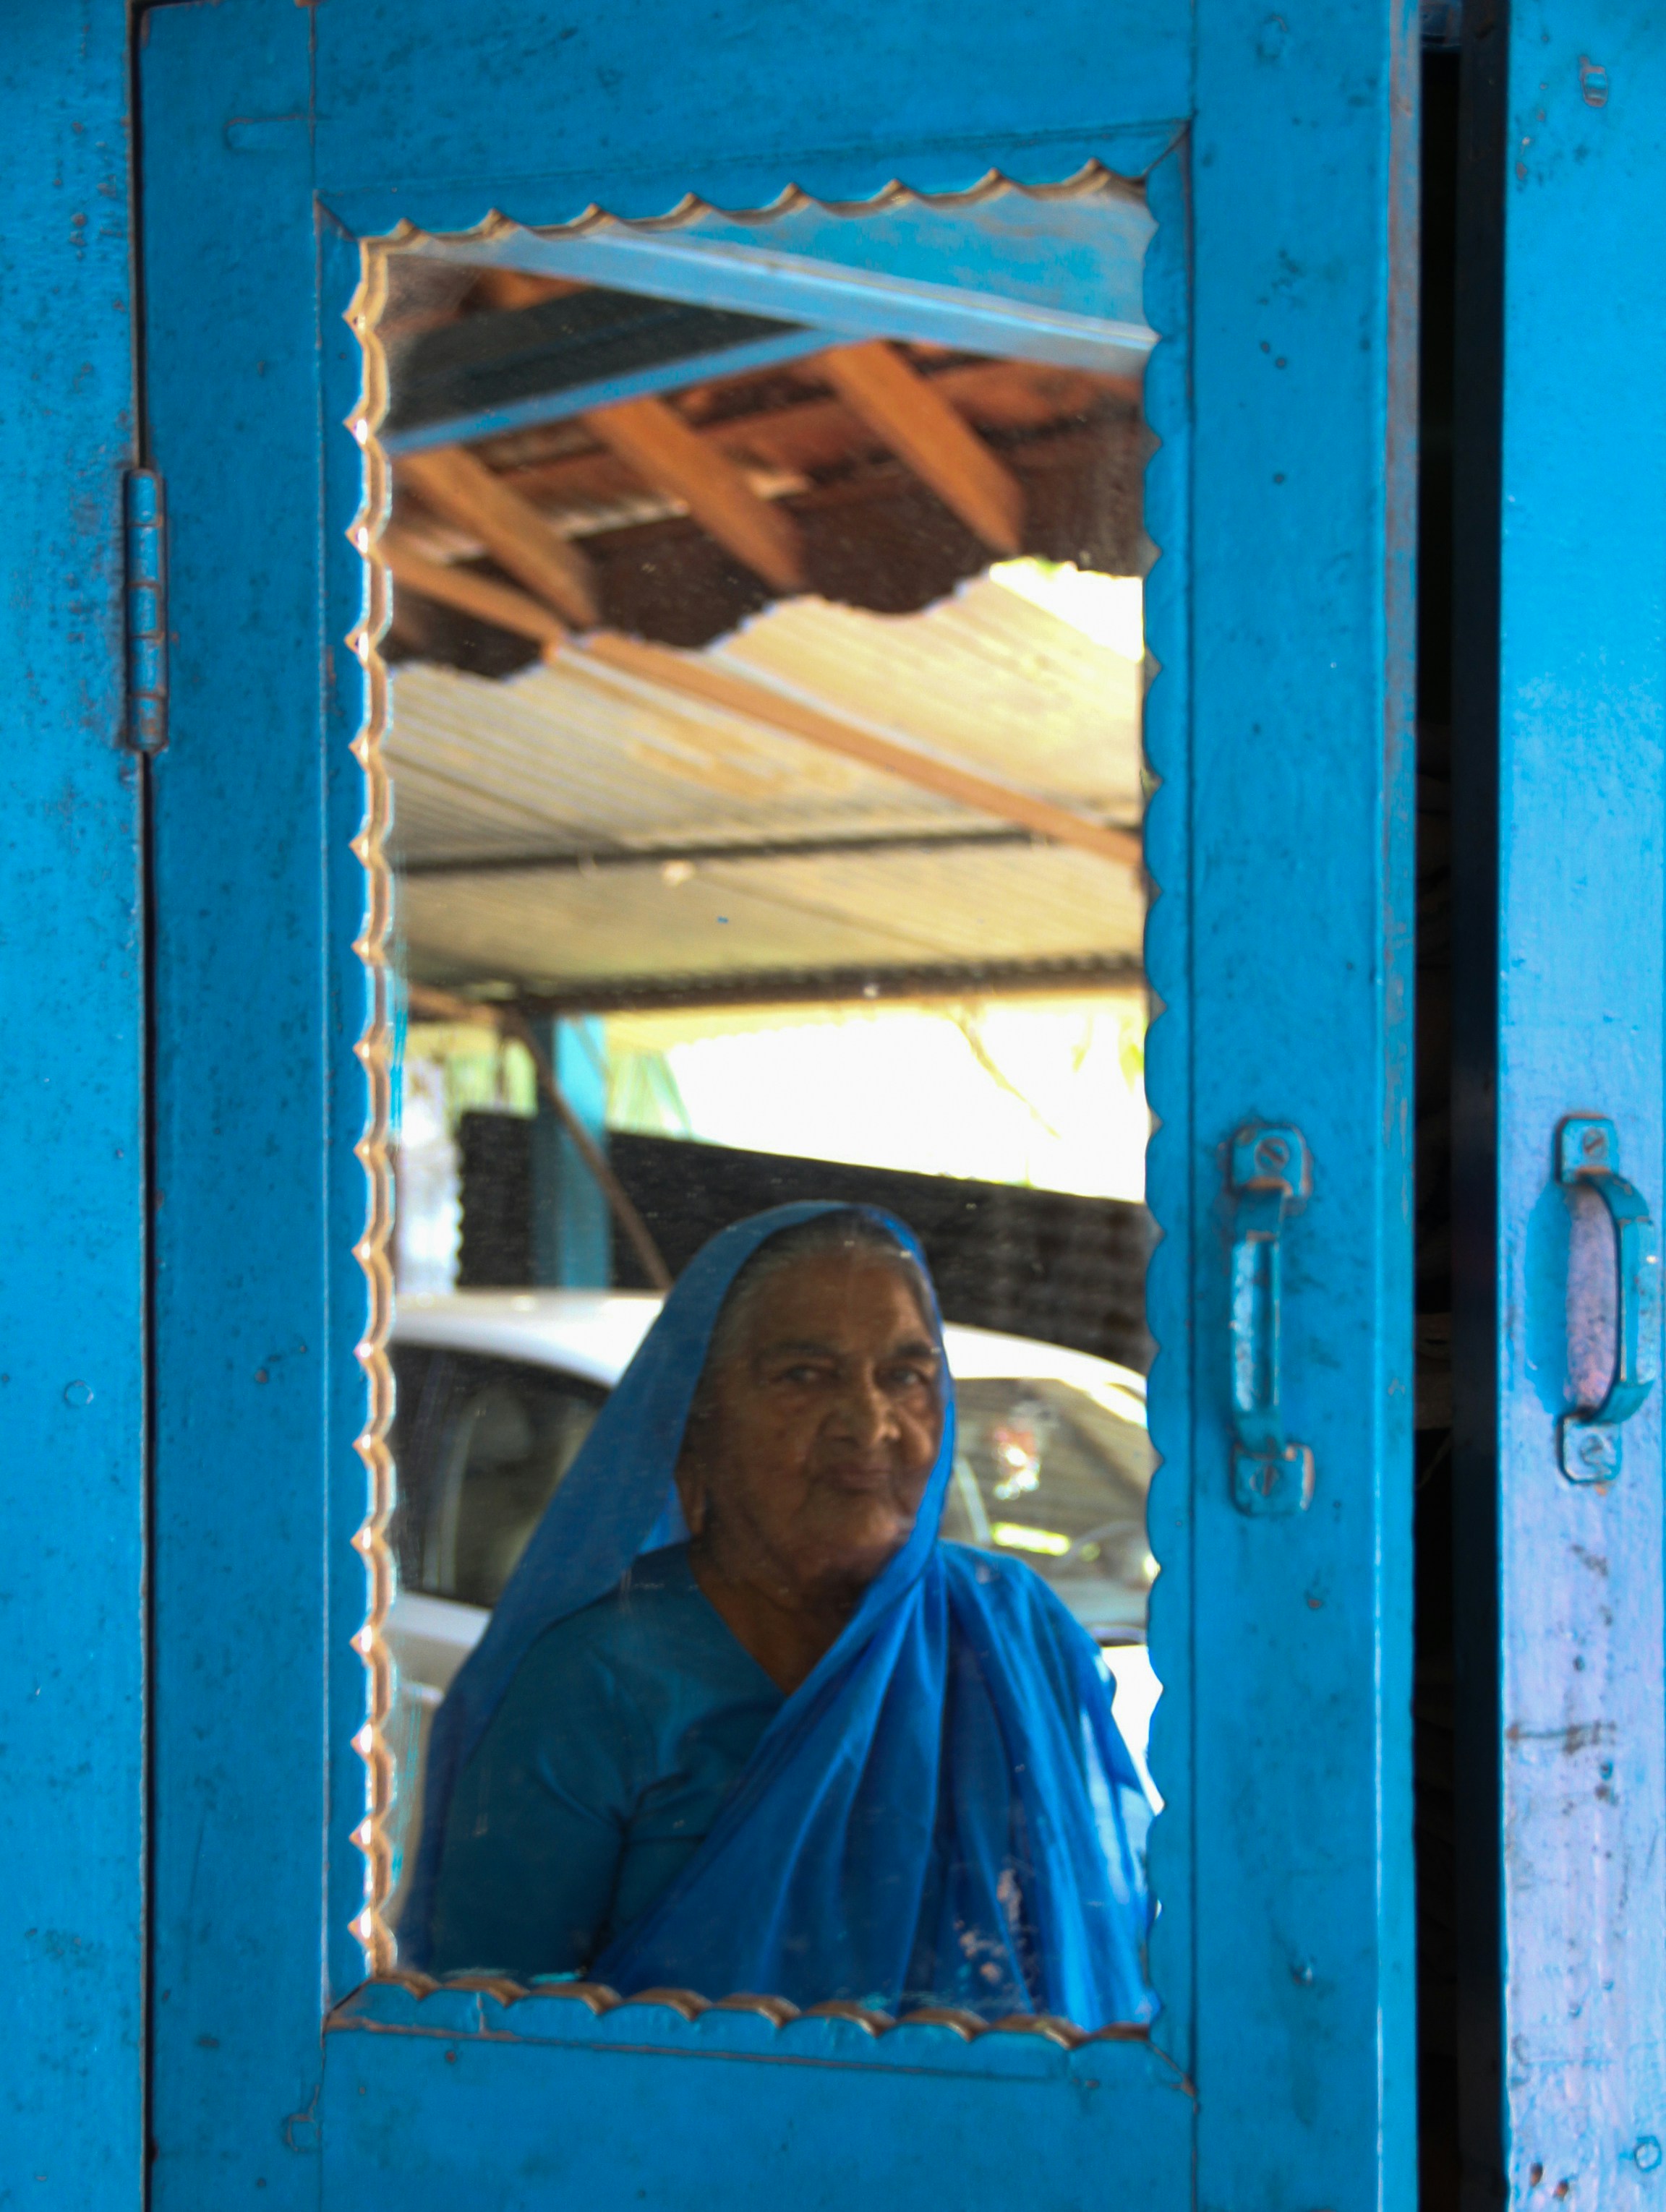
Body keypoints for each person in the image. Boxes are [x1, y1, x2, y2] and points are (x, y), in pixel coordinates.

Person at [401, 1203, 1154, 2027]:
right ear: (696, 1434)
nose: (870, 1423)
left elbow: (1103, 1940)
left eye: (906, 1375)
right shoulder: (600, 1682)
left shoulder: (1013, 1630)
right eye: (803, 1376)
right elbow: (485, 2031)